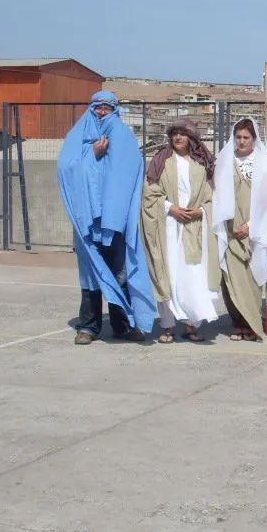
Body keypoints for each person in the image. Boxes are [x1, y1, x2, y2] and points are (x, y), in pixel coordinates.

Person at [57, 91, 156, 344]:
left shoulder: (123, 137)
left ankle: (122, 326)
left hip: (115, 221)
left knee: (119, 272)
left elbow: (132, 172)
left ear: (115, 110)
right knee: (90, 273)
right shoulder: (77, 137)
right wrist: (93, 154)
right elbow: (66, 168)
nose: (102, 112)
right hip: (87, 221)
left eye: (107, 108)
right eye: (98, 107)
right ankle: (89, 326)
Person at [142, 118, 220, 343]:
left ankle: (191, 324)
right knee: (170, 275)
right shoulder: (162, 160)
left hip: (196, 228)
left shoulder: (202, 162)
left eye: (183, 134)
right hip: (169, 226)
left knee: (194, 276)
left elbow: (213, 197)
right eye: (175, 133)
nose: (178, 138)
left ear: (191, 138)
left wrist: (202, 212)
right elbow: (150, 195)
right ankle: (167, 326)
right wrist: (171, 208)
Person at [212, 118, 267, 341]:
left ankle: (253, 324)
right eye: (238, 137)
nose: (241, 142)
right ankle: (240, 323)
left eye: (246, 137)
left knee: (252, 278)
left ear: (254, 139)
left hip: (255, 229)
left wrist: (251, 226)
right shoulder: (225, 162)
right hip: (231, 229)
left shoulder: (264, 164)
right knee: (232, 278)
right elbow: (218, 195)